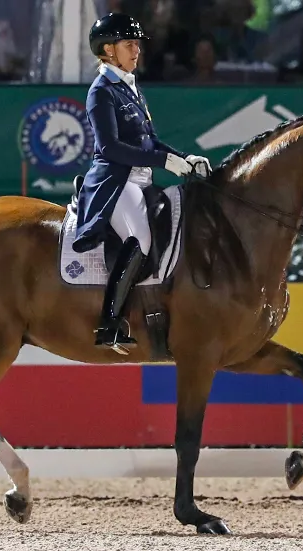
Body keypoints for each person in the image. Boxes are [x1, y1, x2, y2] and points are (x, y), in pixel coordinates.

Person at [73, 12, 211, 352]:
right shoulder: (102, 92)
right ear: (108, 50)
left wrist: (184, 158)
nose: (137, 51)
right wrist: (165, 161)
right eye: (129, 45)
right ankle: (109, 322)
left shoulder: (129, 88)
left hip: (142, 180)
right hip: (116, 183)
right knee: (141, 239)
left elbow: (149, 141)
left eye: (137, 44)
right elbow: (111, 147)